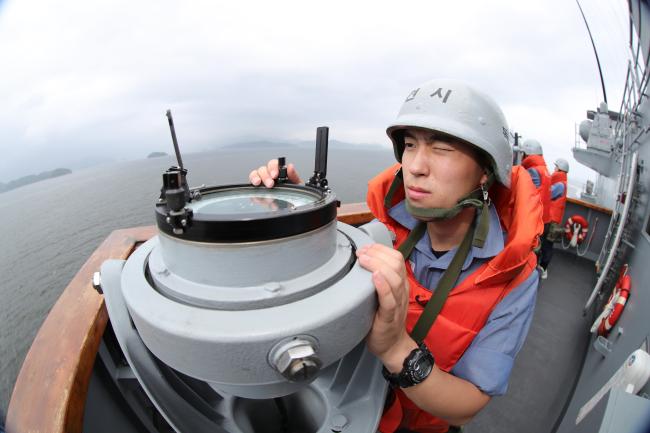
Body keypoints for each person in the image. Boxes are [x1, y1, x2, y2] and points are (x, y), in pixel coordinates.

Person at [249, 79, 543, 433]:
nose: (416, 166)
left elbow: (466, 406)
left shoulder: (514, 278)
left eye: (442, 148)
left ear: (485, 171)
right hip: (358, 406)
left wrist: (395, 349)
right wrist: (297, 212)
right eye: (409, 145)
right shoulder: (385, 227)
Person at [538, 158, 569, 279]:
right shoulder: (562, 183)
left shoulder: (560, 185)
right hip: (553, 219)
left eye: (556, 167)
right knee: (546, 243)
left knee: (546, 244)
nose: (554, 169)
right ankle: (541, 266)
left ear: (560, 170)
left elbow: (547, 194)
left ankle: (543, 268)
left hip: (551, 220)